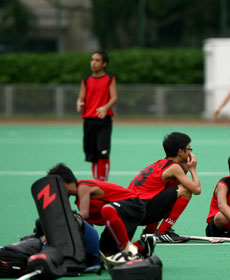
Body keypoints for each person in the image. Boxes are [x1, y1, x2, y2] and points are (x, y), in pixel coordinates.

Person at [47, 163, 155, 259]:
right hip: (120, 216)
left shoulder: (83, 187)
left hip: (133, 205)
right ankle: (142, 246)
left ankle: (127, 250)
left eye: (55, 188)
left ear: (62, 183)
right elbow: (88, 228)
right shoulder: (80, 201)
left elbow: (83, 214)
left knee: (107, 209)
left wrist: (60, 227)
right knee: (104, 256)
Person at [128, 132, 201, 243]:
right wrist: (192, 169)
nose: (191, 153)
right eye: (189, 150)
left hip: (132, 210)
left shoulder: (162, 164)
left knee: (171, 190)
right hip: (140, 210)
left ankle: (150, 232)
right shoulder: (174, 168)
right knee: (185, 190)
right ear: (181, 152)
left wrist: (185, 168)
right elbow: (196, 190)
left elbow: (169, 193)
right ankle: (163, 232)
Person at [77, 51, 118, 182]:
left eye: (97, 60)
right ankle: (97, 181)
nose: (93, 63)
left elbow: (114, 97)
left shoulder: (109, 80)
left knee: (103, 153)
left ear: (104, 64)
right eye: (92, 60)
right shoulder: (86, 80)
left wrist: (105, 108)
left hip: (103, 120)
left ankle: (103, 182)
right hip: (89, 121)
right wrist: (79, 103)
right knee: (93, 155)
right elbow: (81, 97)